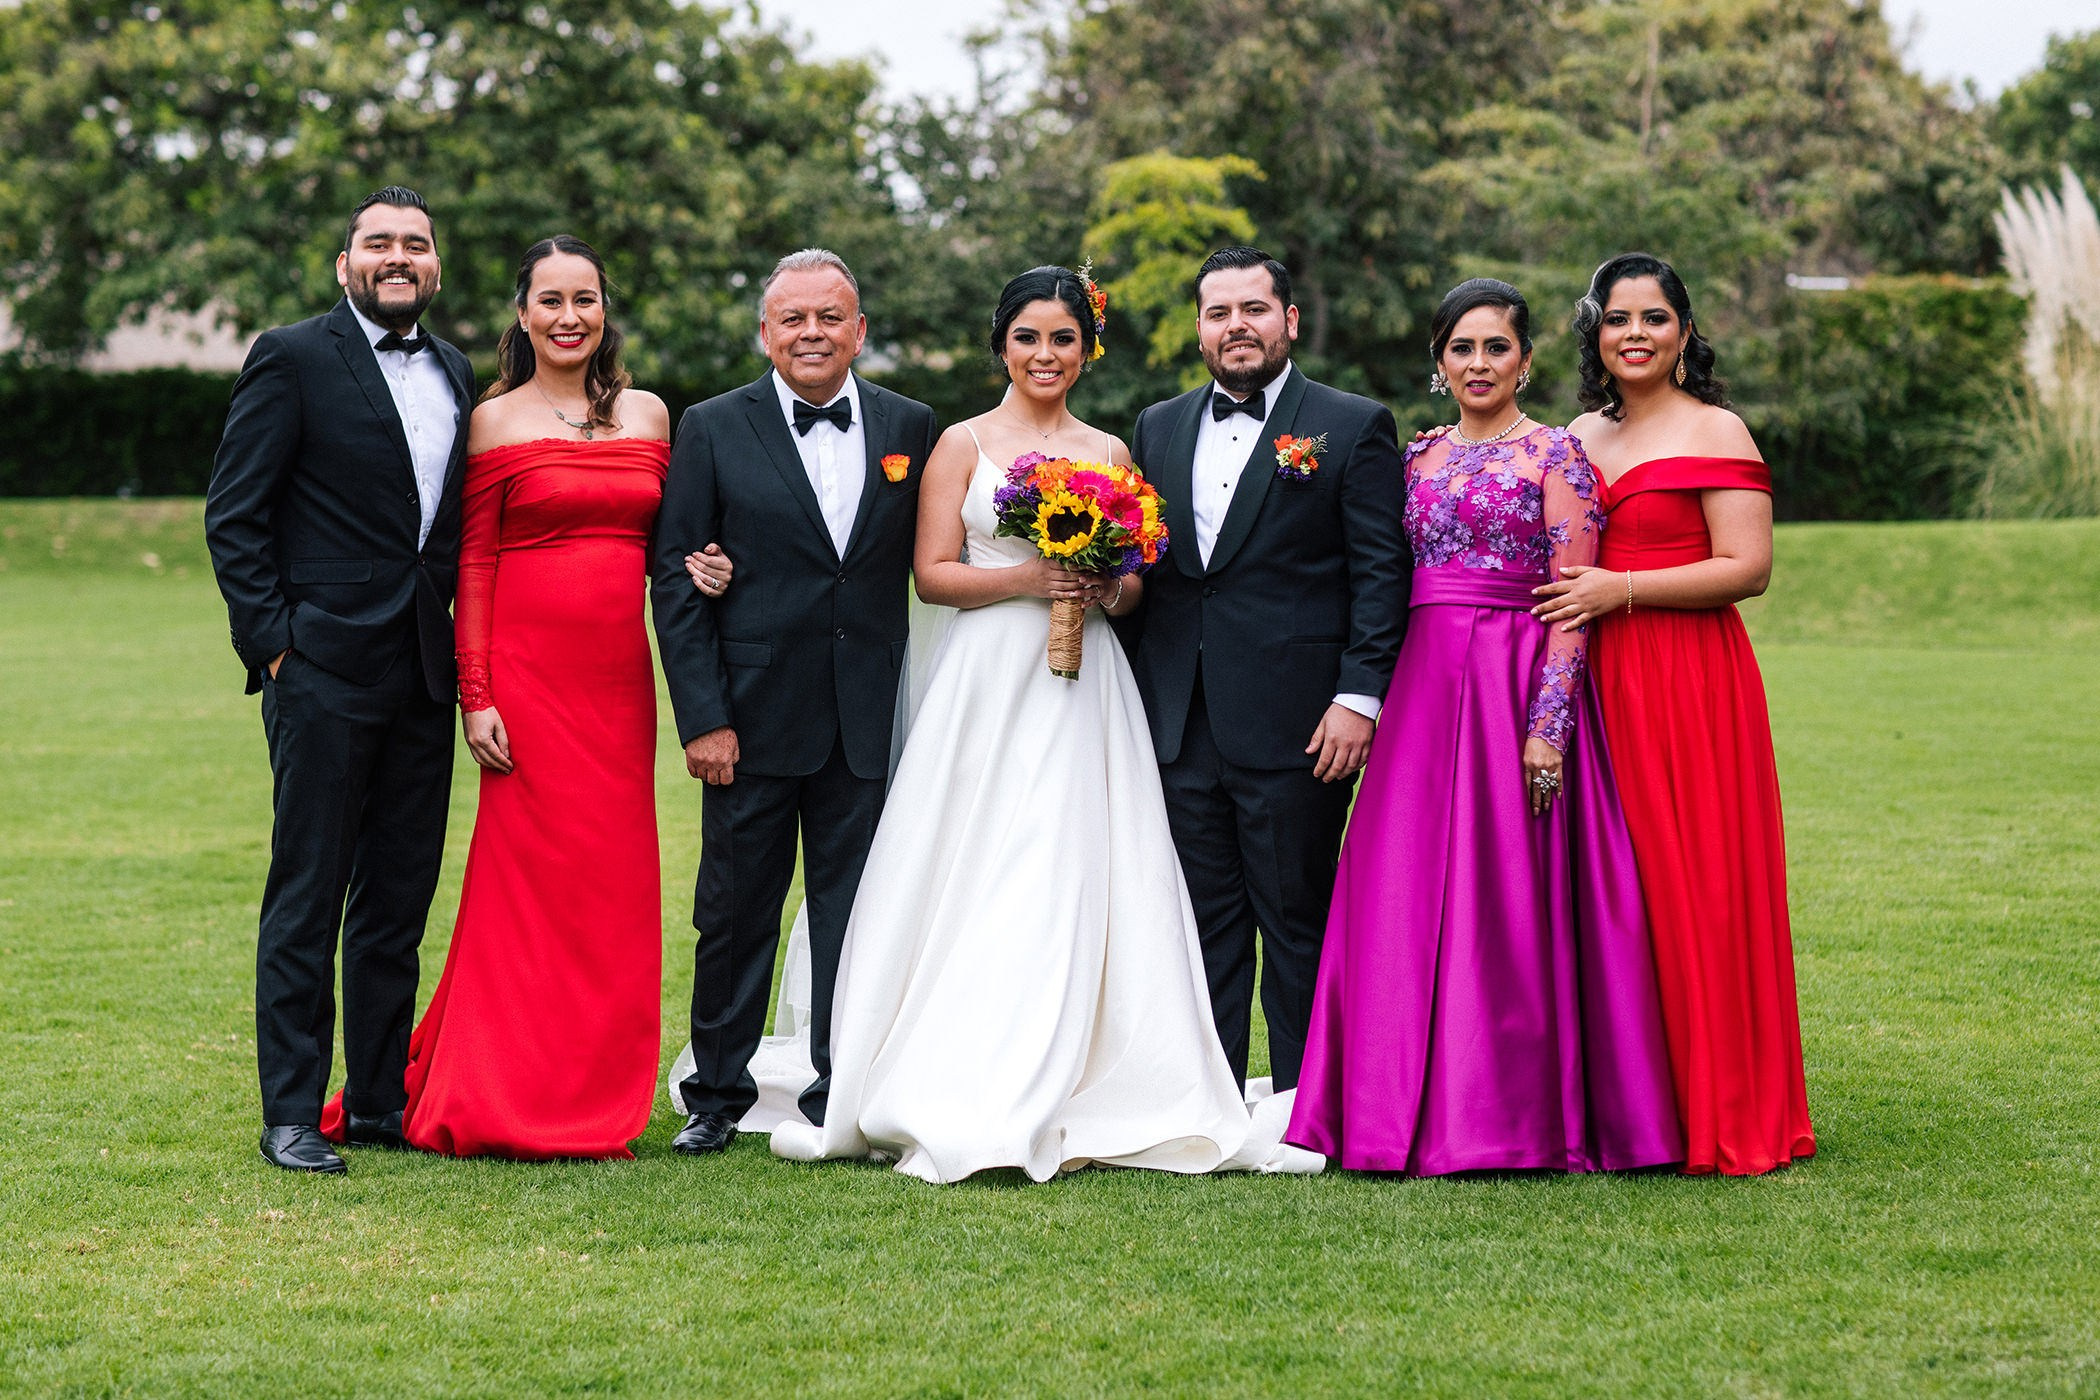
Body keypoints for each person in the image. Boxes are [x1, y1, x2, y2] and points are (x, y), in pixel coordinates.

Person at [760, 265, 1318, 1181]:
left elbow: (1141, 585)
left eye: (1063, 338)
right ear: (1003, 347)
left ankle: (1094, 1072)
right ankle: (959, 1065)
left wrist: (1104, 583)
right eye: (1028, 338)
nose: (1045, 354)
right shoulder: (960, 445)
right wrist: (1028, 578)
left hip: (1087, 690)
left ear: (1085, 348)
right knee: (978, 860)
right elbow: (932, 572)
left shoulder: (1113, 450)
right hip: (985, 684)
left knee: (1079, 859)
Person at [1286, 279, 1682, 1174]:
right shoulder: (1413, 459)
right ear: (1438, 363)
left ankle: (1504, 1114)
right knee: (1398, 889)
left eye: (1495, 347)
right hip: (1421, 692)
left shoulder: (1558, 458)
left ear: (1526, 360)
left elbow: (1573, 605)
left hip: (1512, 687)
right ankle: (1378, 1112)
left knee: (1506, 897)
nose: (1477, 364)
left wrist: (1550, 725)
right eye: (1461, 348)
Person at [311, 236, 670, 1158]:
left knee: (612, 891)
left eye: (584, 299)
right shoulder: (492, 419)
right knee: (522, 890)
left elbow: (676, 543)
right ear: (522, 315)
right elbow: (470, 563)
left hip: (619, 686)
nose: (568, 317)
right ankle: (504, 1083)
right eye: (549, 300)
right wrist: (478, 693)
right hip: (526, 684)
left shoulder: (651, 415)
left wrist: (709, 564)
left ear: (604, 310)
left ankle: (596, 1090)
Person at [205, 186, 473, 1174]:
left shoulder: (453, 367)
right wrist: (276, 645)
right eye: (378, 243)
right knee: (309, 893)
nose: (397, 256)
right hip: (320, 666)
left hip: (421, 669)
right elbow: (235, 514)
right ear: (345, 264)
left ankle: (373, 1103)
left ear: (435, 266)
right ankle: (288, 1111)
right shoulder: (292, 356)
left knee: (397, 896)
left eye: (415, 242)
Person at [1532, 252, 1816, 1176]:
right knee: (1611, 894)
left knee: (1691, 880)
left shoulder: (1719, 430)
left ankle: (1718, 1107)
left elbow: (1748, 569)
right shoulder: (1576, 434)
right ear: (1596, 335)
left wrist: (1622, 588)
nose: (1636, 336)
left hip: (1689, 682)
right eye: (1618, 320)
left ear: (1685, 333)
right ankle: (1626, 1111)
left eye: (1654, 319)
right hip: (1594, 682)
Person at [650, 249, 938, 1155]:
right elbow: (677, 576)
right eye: (793, 319)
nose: (811, 333)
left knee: (858, 914)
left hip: (866, 720)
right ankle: (716, 1093)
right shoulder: (709, 426)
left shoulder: (912, 426)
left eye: (830, 317)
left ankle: (839, 1084)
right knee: (734, 911)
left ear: (859, 330)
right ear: (766, 333)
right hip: (749, 714)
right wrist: (703, 718)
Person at [1126, 247, 1411, 1094]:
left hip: (1299, 720)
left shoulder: (1351, 425)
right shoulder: (1157, 426)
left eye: (1253, 309)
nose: (1236, 327)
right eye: (1219, 313)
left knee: (1295, 918)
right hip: (1179, 717)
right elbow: (1161, 569)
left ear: (1288, 320)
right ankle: (1210, 1096)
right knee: (1201, 920)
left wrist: (1358, 699)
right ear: (1200, 328)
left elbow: (1380, 574)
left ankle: (1302, 1099)